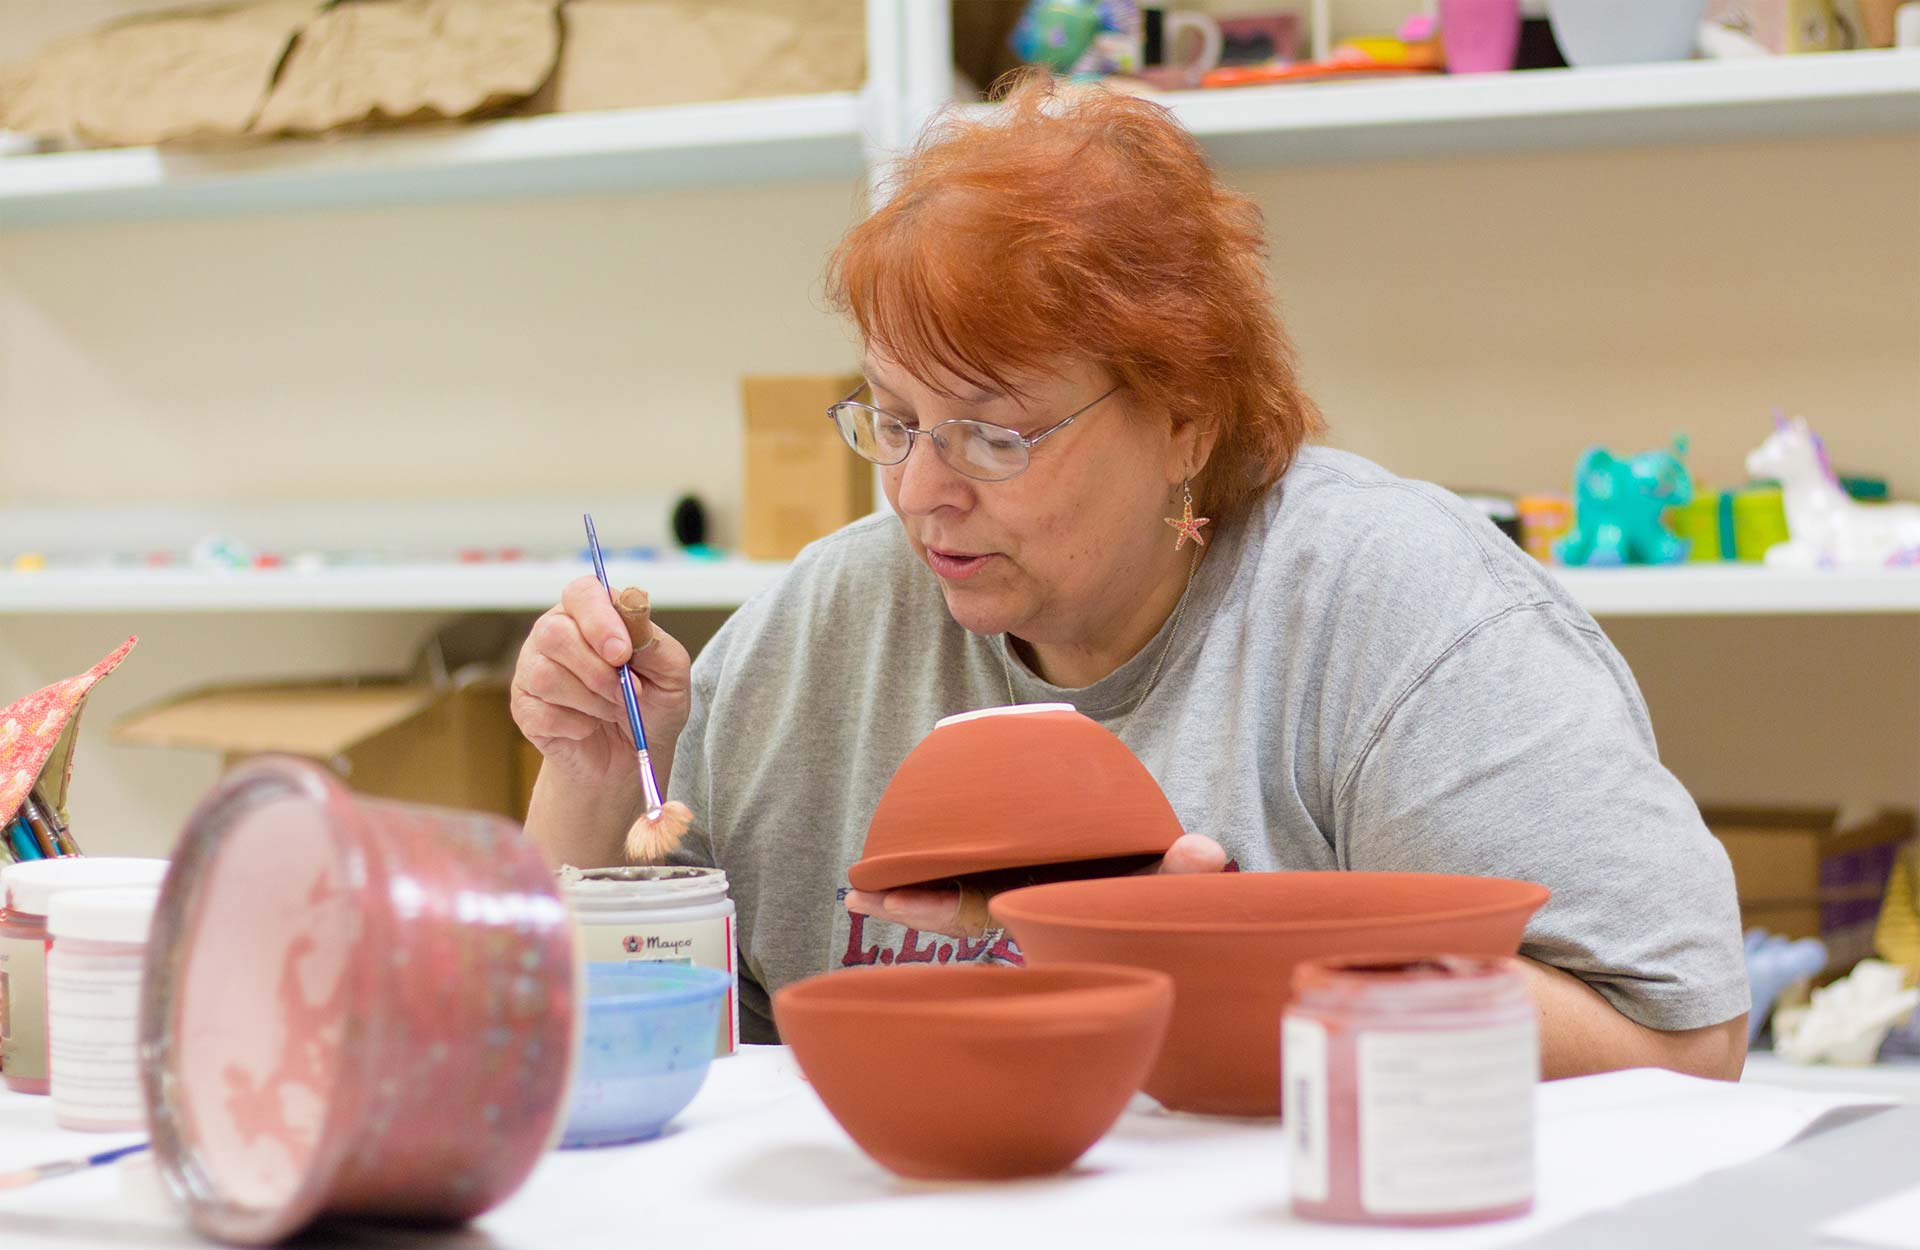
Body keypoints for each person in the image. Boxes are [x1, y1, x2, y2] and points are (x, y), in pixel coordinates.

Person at [514, 75, 1749, 1079]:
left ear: (1185, 421)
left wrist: (1211, 965)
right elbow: (609, 1026)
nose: (919, 491)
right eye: (890, 419)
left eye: (997, 434)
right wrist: (589, 774)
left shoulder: (1398, 612)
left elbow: (1684, 1038)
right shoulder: (826, 624)